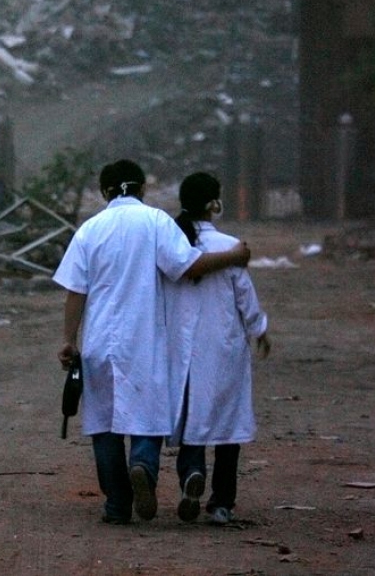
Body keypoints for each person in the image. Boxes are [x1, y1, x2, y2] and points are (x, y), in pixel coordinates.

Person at [54, 158, 252, 526]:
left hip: (99, 340)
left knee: (103, 424)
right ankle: (143, 464)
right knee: (146, 414)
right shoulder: (157, 221)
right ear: (143, 188)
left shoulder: (89, 230)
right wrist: (233, 257)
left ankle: (117, 505)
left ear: (104, 192)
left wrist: (69, 340)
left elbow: (75, 291)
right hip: (145, 338)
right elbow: (189, 266)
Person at [166, 171, 270, 526]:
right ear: (215, 204)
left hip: (184, 348)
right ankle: (221, 504)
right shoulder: (230, 247)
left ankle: (192, 473)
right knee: (228, 422)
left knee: (192, 416)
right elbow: (245, 297)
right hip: (224, 346)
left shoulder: (173, 246)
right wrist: (260, 329)